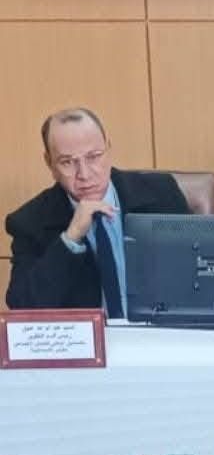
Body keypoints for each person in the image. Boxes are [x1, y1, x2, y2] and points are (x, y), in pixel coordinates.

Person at [5, 107, 189, 316]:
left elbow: (196, 273)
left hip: (158, 330)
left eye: (93, 157)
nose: (84, 174)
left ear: (108, 149)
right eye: (67, 162)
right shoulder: (30, 222)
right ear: (50, 164)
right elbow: (23, 309)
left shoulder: (162, 194)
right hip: (86, 336)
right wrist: (70, 239)